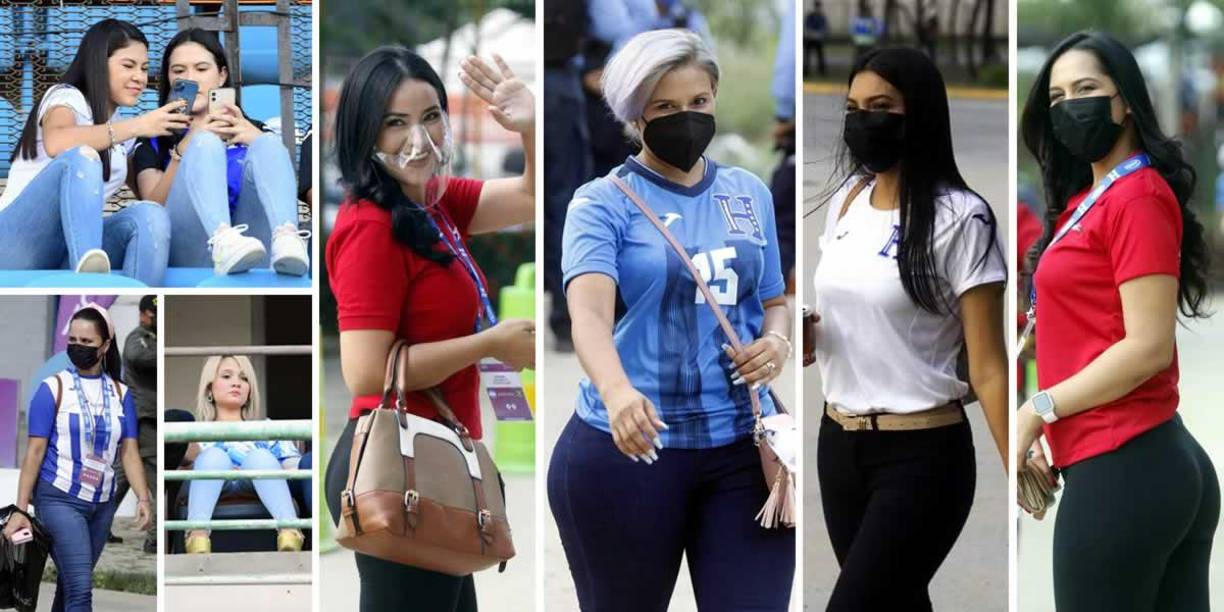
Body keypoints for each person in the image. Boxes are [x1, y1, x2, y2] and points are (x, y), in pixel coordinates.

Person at [547, 29, 794, 610]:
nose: (686, 117)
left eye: (698, 102)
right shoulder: (600, 202)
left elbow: (774, 299)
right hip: (631, 448)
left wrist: (777, 341)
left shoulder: (748, 193)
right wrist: (617, 393)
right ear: (635, 114)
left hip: (742, 448)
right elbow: (587, 316)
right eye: (665, 107)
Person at [323, 45, 536, 611]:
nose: (418, 137)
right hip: (397, 462)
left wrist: (530, 125)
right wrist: (490, 345)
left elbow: (531, 198)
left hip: (439, 456)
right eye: (395, 123)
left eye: (430, 116)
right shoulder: (371, 227)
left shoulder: (433, 203)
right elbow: (365, 371)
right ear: (364, 131)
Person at [1018, 31, 1219, 610]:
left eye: (1085, 89)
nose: (1068, 106)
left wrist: (1039, 409)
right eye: (1056, 97)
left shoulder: (1136, 196)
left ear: (1124, 100)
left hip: (1125, 467)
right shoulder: (1098, 194)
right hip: (1134, 463)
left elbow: (1149, 346)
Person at [809, 47, 1009, 610]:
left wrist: (1017, 461)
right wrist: (809, 335)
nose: (863, 121)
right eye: (852, 107)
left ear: (917, 114)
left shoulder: (962, 218)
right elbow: (849, 312)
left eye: (881, 106)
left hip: (922, 457)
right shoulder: (847, 202)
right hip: (839, 446)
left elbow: (989, 367)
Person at [0, 19, 174, 285]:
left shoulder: (121, 131)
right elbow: (58, 142)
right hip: (15, 245)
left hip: (65, 251)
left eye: (144, 68)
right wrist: (139, 125)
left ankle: (139, 294)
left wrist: (184, 149)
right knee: (82, 156)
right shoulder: (65, 97)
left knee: (150, 215)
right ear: (98, 63)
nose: (140, 78)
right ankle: (88, 281)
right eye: (128, 66)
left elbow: (154, 197)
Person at [3, 303, 152, 611]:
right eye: (72, 341)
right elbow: (34, 451)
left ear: (106, 345)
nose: (78, 347)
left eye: (87, 342)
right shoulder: (52, 388)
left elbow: (129, 451)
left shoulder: (122, 395)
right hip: (58, 498)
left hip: (102, 504)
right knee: (82, 589)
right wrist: (20, 508)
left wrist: (142, 498)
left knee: (70, 586)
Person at [131, 28, 310, 276]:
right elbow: (152, 206)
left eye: (202, 69)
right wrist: (190, 143)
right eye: (179, 71)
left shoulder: (254, 129)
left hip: (255, 247)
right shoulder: (154, 135)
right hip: (192, 249)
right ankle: (224, 240)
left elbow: (280, 184)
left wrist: (255, 138)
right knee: (206, 144)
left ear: (221, 75)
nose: (191, 78)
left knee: (268, 144)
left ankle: (288, 237)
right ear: (169, 79)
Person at [179, 355, 305, 554]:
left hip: (259, 483)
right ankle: (197, 535)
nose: (236, 383)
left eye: (244, 378)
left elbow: (296, 466)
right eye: (227, 376)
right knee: (213, 457)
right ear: (209, 388)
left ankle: (290, 532)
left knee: (260, 458)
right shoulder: (193, 432)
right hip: (211, 483)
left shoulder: (269, 428)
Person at [109, 294, 158, 553]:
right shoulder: (139, 338)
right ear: (143, 314)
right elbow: (138, 357)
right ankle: (156, 537)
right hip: (142, 418)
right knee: (156, 475)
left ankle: (98, 522)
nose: (156, 318)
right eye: (153, 314)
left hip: (144, 417)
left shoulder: (153, 337)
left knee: (123, 475)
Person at [804, 2, 829, 77]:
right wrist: (812, 33)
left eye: (819, 7)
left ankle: (822, 71)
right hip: (809, 40)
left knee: (820, 56)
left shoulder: (822, 17)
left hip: (818, 40)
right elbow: (806, 27)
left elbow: (825, 28)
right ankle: (806, 71)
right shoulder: (810, 16)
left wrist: (821, 33)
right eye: (817, 7)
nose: (818, 9)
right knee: (807, 57)